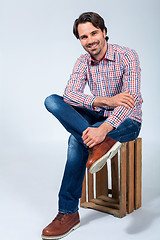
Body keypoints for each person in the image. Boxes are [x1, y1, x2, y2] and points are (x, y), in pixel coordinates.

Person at [41, 12, 143, 239]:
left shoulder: (127, 55)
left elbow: (131, 99)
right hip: (98, 115)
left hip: (127, 121)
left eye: (94, 33)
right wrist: (104, 101)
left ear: (104, 32)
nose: (90, 40)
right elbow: (70, 95)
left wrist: (105, 129)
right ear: (80, 40)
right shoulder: (82, 61)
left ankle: (67, 212)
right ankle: (98, 146)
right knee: (52, 101)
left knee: (75, 140)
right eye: (83, 37)